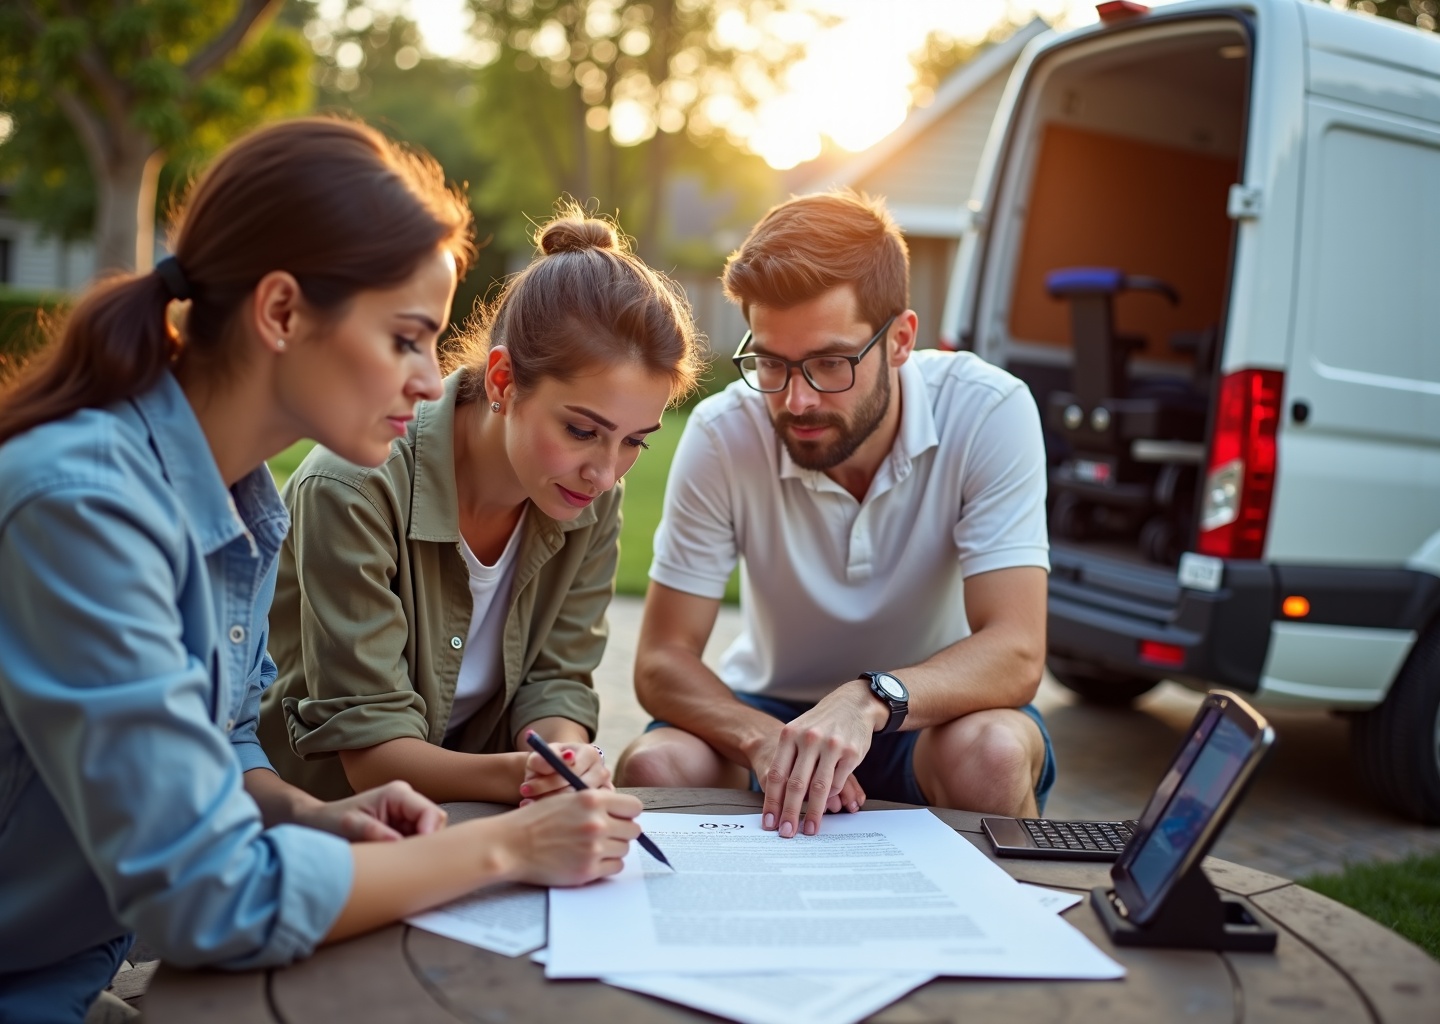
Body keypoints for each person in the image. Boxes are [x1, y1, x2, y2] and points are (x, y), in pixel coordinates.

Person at [0, 118, 642, 1023]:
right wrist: (508, 850)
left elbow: (219, 740)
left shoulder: (241, 501)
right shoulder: (84, 507)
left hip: (74, 969)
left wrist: (305, 815)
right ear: (282, 313)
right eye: (407, 338)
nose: (429, 380)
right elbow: (207, 896)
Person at [616, 190, 1057, 840]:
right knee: (658, 764)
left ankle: (1009, 936)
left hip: (930, 714)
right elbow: (661, 659)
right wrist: (766, 741)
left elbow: (1016, 652)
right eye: (771, 363)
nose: (796, 400)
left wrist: (870, 697)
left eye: (829, 363)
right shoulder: (723, 432)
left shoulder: (988, 409)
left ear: (900, 340)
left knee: (990, 755)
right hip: (769, 712)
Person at [257, 207, 703, 805]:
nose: (604, 472)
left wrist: (563, 754)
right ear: (501, 381)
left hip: (482, 815)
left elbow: (556, 681)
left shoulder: (590, 499)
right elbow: (371, 755)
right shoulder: (354, 488)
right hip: (335, 828)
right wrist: (532, 777)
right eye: (580, 430)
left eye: (635, 441)